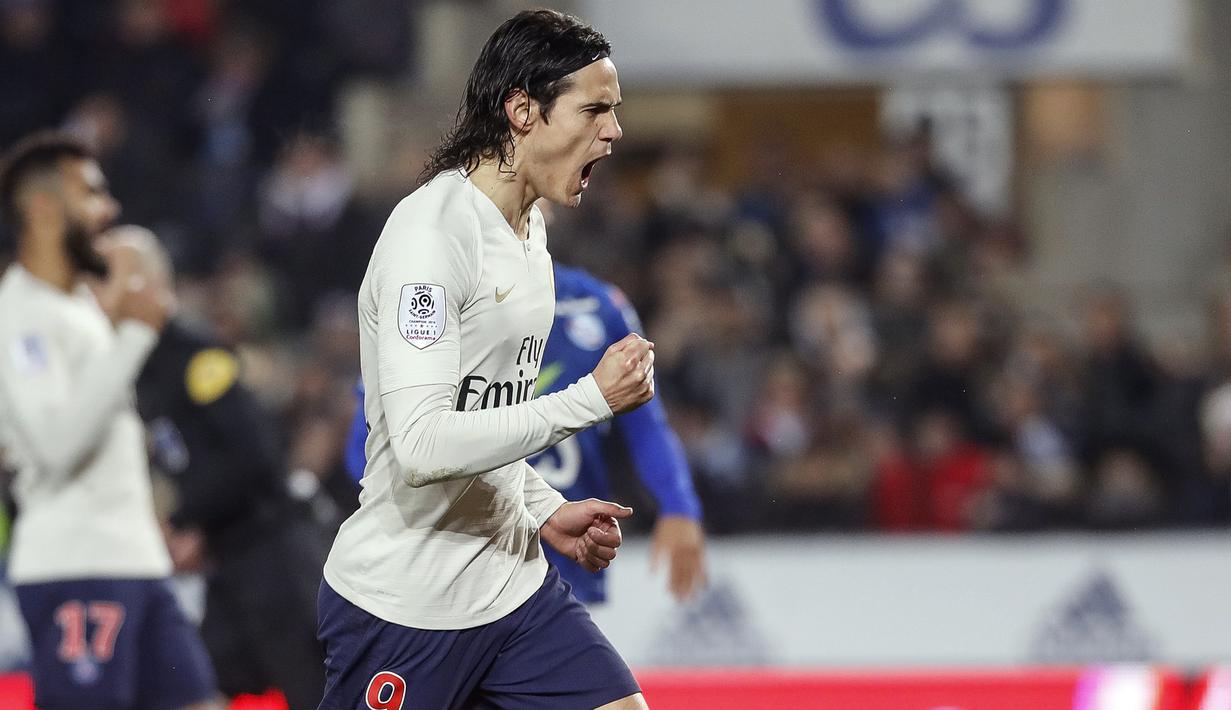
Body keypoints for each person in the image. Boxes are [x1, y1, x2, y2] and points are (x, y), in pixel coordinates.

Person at [319, 9, 653, 710]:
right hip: (405, 607)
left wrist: (540, 507)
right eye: (594, 109)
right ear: (522, 110)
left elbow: (485, 409)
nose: (614, 131)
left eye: (614, 111)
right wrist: (589, 400)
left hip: (512, 588)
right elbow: (421, 445)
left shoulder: (528, 230)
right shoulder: (432, 238)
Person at [0, 132, 220, 710]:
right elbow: (54, 443)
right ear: (44, 209)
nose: (109, 208)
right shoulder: (20, 314)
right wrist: (136, 335)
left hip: (134, 560)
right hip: (76, 566)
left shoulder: (75, 309)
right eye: (91, 192)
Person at [344, 261, 707, 604]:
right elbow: (371, 444)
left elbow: (646, 425)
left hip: (566, 552)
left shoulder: (596, 304)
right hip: (456, 555)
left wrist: (678, 505)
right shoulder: (432, 298)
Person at [111, 231, 330, 709]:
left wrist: (185, 518)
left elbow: (256, 458)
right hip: (228, 563)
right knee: (192, 684)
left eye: (109, 279)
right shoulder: (141, 369)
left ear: (146, 285)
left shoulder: (194, 357)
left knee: (314, 693)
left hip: (273, 559)